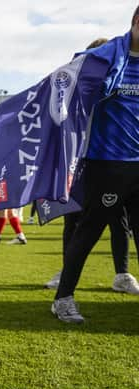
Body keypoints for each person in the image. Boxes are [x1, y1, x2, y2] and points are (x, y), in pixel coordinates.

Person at [51, 14, 139, 322]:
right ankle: (63, 298)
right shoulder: (107, 56)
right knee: (87, 232)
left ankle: (122, 275)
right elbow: (68, 77)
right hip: (107, 164)